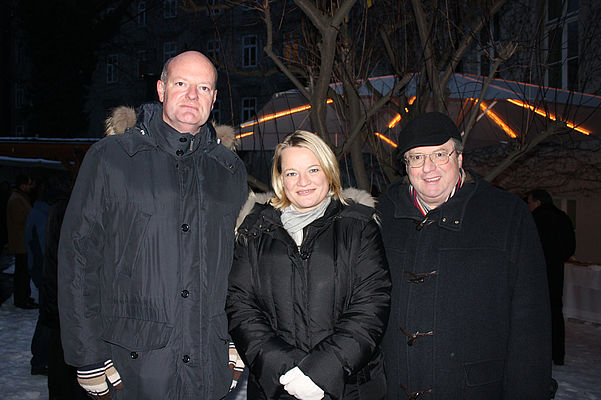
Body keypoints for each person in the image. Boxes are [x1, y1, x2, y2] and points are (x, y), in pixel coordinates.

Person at [58, 50, 248, 399]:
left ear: (214, 98)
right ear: (161, 89)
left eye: (203, 87)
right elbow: (78, 259)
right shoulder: (111, 158)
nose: (192, 95)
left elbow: (239, 267)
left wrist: (236, 339)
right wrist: (87, 356)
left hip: (208, 365)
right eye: (181, 84)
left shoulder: (229, 169)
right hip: (133, 367)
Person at [376, 112, 552, 399]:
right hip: (392, 388)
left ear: (459, 158)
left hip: (474, 390)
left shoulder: (506, 216)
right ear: (405, 166)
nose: (428, 168)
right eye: (417, 157)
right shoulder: (380, 217)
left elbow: (531, 323)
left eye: (440, 154)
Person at [227, 130, 391, 400]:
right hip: (277, 387)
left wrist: (322, 371)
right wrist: (286, 369)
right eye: (292, 173)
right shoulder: (255, 230)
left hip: (350, 387)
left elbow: (371, 306)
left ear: (328, 170)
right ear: (281, 179)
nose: (303, 181)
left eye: (313, 169)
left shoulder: (359, 227)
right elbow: (240, 306)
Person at [527, 189, 575, 366]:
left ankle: (539, 354)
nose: (529, 206)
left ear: (538, 202)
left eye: (530, 202)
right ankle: (558, 353)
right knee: (555, 310)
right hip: (556, 270)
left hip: (536, 272)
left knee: (536, 313)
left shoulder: (534, 219)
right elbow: (570, 247)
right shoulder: (563, 217)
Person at [6, 174, 37, 309]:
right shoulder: (17, 199)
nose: (31, 187)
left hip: (23, 241)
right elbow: (20, 219)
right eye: (29, 184)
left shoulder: (19, 198)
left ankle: (24, 296)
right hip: (21, 242)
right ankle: (21, 299)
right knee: (22, 272)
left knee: (24, 272)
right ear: (22, 185)